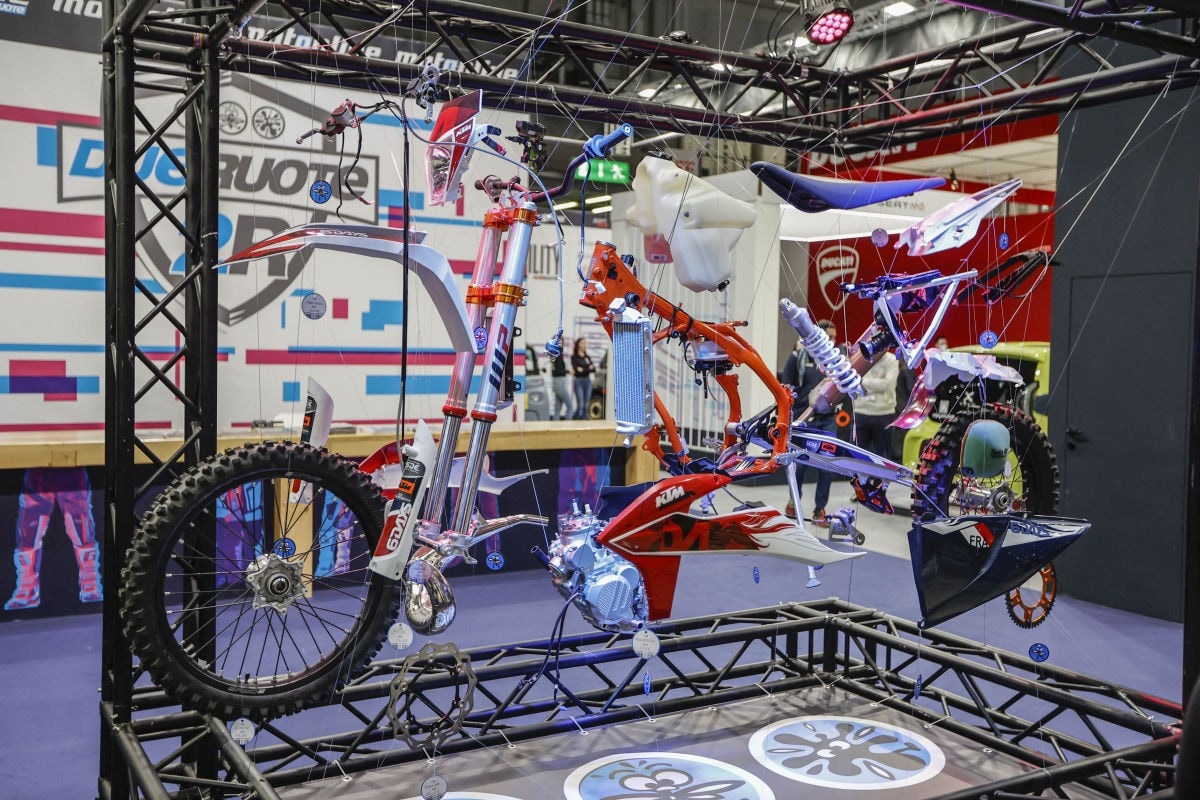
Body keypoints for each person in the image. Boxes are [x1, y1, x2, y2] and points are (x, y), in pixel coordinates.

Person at [780, 320, 839, 526]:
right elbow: (785, 389)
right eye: (829, 337)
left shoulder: (835, 361)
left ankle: (819, 509)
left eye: (835, 337)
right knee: (800, 466)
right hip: (804, 421)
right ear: (818, 337)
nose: (833, 341)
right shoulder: (797, 357)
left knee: (827, 466)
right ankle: (793, 501)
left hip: (828, 421)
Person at [854, 351, 899, 460]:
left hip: (884, 413)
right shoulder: (859, 359)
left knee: (883, 458)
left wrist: (862, 381)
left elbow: (887, 385)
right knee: (857, 456)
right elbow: (854, 382)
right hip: (860, 411)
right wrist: (879, 382)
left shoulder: (892, 359)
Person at [570, 338, 595, 420]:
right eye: (583, 343)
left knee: (585, 406)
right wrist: (587, 368)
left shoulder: (587, 357)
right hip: (578, 381)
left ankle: (584, 423)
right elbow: (576, 369)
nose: (584, 345)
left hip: (587, 381)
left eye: (585, 343)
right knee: (580, 405)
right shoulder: (574, 357)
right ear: (578, 344)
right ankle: (574, 420)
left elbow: (593, 369)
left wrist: (583, 369)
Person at [550, 350, 573, 420]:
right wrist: (568, 371)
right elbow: (559, 371)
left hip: (556, 382)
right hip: (559, 382)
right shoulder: (558, 355)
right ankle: (568, 424)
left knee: (557, 409)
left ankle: (555, 425)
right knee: (570, 406)